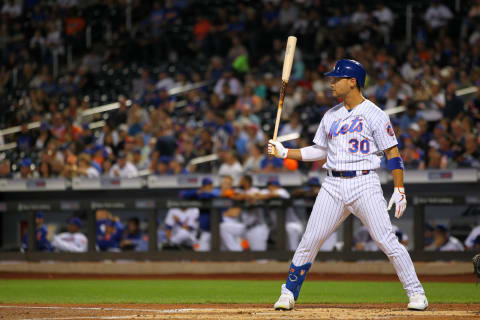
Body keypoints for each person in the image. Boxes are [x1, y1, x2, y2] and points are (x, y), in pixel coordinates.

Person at [268, 59, 427, 311]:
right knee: (309, 240)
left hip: (365, 183)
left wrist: (399, 188)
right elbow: (318, 151)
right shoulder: (330, 115)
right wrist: (285, 153)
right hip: (332, 184)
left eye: (336, 78)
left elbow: (393, 153)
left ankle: (417, 293)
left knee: (387, 240)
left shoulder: (375, 114)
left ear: (352, 82)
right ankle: (288, 292)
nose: (331, 82)